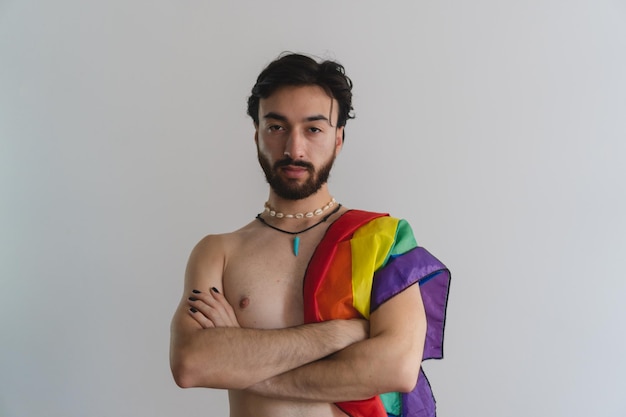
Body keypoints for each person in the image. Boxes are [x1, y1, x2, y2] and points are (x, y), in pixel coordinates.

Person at [170, 53, 450, 417]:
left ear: (338, 138)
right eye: (277, 127)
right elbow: (192, 363)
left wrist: (240, 362)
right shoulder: (218, 253)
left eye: (313, 129)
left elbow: (397, 367)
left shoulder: (381, 240)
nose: (294, 149)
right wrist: (339, 335)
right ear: (257, 135)